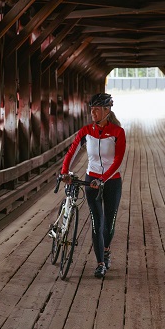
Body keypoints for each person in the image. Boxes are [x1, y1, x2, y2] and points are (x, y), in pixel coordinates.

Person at [60, 92, 126, 278]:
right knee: (97, 222)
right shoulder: (86, 131)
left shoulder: (117, 132)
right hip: (91, 180)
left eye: (97, 109)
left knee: (109, 223)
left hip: (111, 182)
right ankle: (100, 263)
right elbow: (72, 151)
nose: (93, 113)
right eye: (91, 109)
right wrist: (65, 170)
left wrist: (103, 179)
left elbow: (118, 160)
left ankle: (106, 249)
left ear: (107, 110)